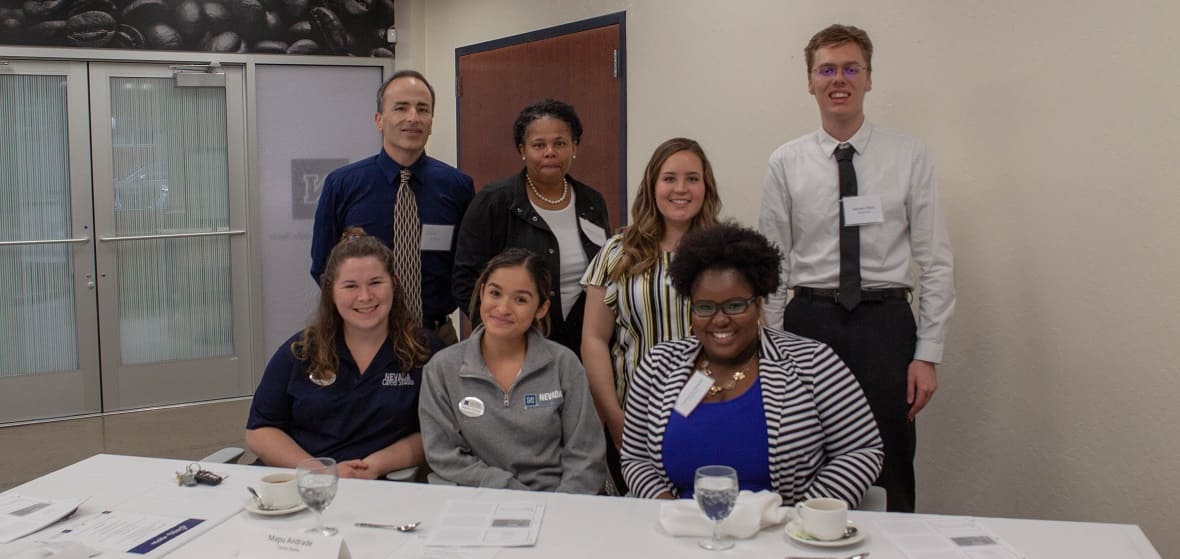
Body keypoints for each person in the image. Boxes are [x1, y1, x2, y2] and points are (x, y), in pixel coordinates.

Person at [758, 24, 955, 511]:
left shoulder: (908, 155)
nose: (838, 79)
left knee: (891, 453)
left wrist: (927, 354)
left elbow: (935, 260)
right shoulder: (786, 162)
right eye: (827, 69)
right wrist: (775, 344)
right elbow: (772, 263)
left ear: (869, 79)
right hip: (810, 321)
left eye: (851, 68)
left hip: (884, 324)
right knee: (803, 449)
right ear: (810, 81)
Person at [620, 223, 883, 505]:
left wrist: (803, 518)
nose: (719, 320)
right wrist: (669, 510)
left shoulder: (813, 363)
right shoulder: (658, 365)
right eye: (705, 307)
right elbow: (635, 458)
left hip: (782, 535)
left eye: (735, 305)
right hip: (683, 534)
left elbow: (862, 450)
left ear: (758, 305)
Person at [580, 137, 721, 492]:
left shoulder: (726, 251)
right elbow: (594, 340)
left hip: (714, 410)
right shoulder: (618, 251)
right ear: (652, 186)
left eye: (692, 178)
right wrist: (614, 418)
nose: (680, 188)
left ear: (706, 187)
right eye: (669, 178)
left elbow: (754, 334)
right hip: (635, 415)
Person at [247, 228, 434, 479]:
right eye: (350, 286)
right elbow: (260, 431)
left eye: (376, 283)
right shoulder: (300, 351)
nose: (365, 296)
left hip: (378, 486)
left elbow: (438, 432)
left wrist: (377, 465)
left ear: (395, 283)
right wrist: (321, 471)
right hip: (301, 483)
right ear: (331, 291)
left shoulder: (425, 352)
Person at [420, 248, 606, 493]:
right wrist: (508, 489)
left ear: (541, 308)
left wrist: (561, 506)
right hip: (481, 499)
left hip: (559, 503)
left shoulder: (564, 364)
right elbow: (444, 454)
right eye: (495, 293)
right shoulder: (442, 368)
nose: (503, 308)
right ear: (482, 291)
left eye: (520, 299)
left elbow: (586, 455)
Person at [311, 70, 475, 346]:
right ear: (379, 120)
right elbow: (323, 267)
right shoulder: (343, 185)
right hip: (364, 336)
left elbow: (469, 265)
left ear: (431, 122)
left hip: (436, 337)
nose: (413, 117)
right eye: (401, 108)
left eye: (422, 109)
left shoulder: (457, 186)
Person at [452, 98, 608, 355]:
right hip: (514, 347)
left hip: (583, 347)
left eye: (560, 143)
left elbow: (603, 276)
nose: (550, 152)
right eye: (539, 145)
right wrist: (503, 329)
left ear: (574, 146)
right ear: (522, 149)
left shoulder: (592, 202)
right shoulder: (495, 201)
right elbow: (464, 281)